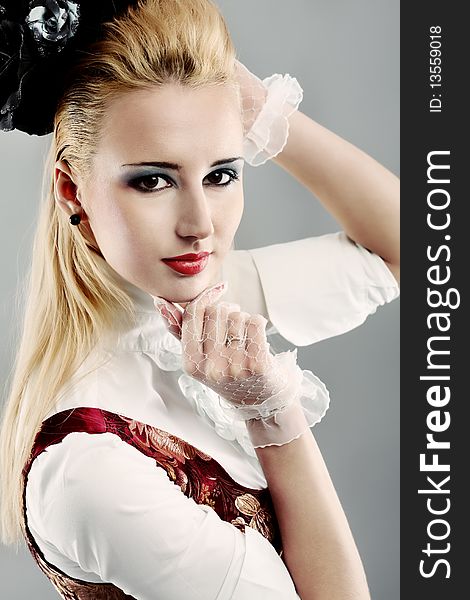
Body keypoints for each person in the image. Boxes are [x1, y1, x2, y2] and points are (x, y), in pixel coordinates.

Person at [0, 0, 400, 598]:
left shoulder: (205, 304)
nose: (199, 226)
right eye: (153, 180)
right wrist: (273, 416)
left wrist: (258, 108)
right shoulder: (89, 468)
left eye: (221, 174)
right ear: (71, 189)